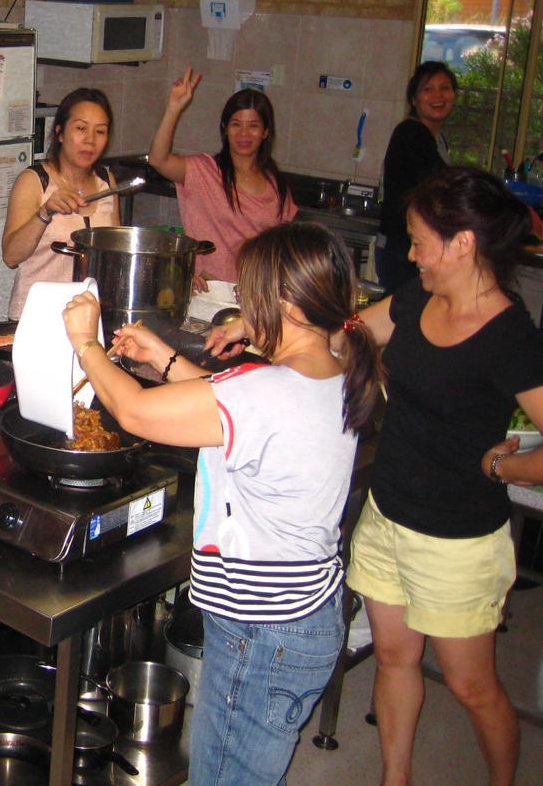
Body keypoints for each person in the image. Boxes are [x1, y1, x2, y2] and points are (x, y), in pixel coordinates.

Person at [64, 221, 383, 785]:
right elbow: (232, 411)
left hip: (262, 638)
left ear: (282, 301)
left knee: (224, 777)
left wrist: (87, 344)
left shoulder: (266, 391)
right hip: (299, 619)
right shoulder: (332, 371)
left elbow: (137, 413)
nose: (241, 304)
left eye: (247, 293)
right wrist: (163, 359)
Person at [345, 167, 543, 786]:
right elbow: (352, 332)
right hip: (386, 518)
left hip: (456, 542)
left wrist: (503, 466)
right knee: (396, 659)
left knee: (471, 684)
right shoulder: (417, 298)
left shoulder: (510, 335)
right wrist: (270, 323)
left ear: (461, 244)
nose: (410, 254)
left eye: (419, 240)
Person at [148, 67, 297, 289]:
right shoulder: (204, 170)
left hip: (254, 295)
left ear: (266, 132)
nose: (244, 134)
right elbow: (158, 159)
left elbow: (282, 253)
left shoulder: (277, 187)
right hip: (205, 289)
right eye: (236, 124)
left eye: (253, 126)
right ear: (225, 129)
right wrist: (174, 108)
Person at [3, 87, 118, 319]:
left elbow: (116, 253)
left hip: (90, 316)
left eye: (100, 131)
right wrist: (45, 212)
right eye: (80, 128)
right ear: (60, 132)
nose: (90, 140)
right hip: (38, 315)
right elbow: (11, 256)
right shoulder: (35, 181)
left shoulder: (106, 180)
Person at [377, 61, 457, 292]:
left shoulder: (437, 138)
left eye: (445, 88)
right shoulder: (411, 133)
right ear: (413, 99)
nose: (438, 96)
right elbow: (443, 184)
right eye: (427, 89)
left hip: (415, 244)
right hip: (402, 248)